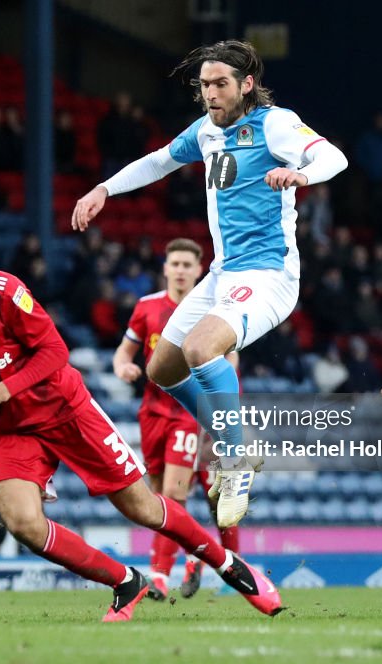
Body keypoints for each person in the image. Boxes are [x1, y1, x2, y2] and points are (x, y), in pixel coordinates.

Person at [0, 196, 281, 622]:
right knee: (23, 524)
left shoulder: (0, 290)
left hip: (63, 406)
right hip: (1, 429)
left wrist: (1, 390)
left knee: (143, 509)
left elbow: (55, 351)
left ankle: (228, 564)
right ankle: (125, 582)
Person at [72, 40, 348, 527]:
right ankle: (237, 443)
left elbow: (333, 158)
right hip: (223, 273)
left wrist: (300, 175)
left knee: (202, 350)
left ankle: (237, 461)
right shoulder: (205, 131)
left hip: (268, 274)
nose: (211, 93)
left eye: (220, 83)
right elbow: (158, 161)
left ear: (246, 84)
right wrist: (104, 189)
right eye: (204, 85)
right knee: (162, 367)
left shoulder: (275, 123)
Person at [113, 238, 239, 600]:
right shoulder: (146, 307)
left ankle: (162, 573)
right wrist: (123, 367)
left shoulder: (213, 310)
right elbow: (124, 353)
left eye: (188, 265)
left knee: (176, 493)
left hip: (191, 413)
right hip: (152, 413)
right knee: (159, 496)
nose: (181, 270)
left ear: (200, 270)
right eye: (176, 264)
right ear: (165, 268)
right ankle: (189, 558)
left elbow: (230, 361)